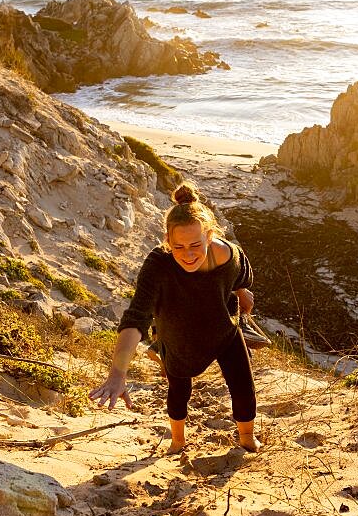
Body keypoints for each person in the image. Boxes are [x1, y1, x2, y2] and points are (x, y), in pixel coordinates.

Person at [89, 181, 261, 454]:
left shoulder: (229, 255)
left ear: (210, 236)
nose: (188, 254)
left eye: (196, 244)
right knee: (179, 388)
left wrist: (241, 291)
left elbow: (241, 278)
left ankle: (247, 437)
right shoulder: (158, 265)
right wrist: (117, 373)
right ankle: (178, 441)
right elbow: (136, 318)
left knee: (242, 384)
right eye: (178, 247)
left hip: (223, 328)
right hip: (177, 332)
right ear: (168, 241)